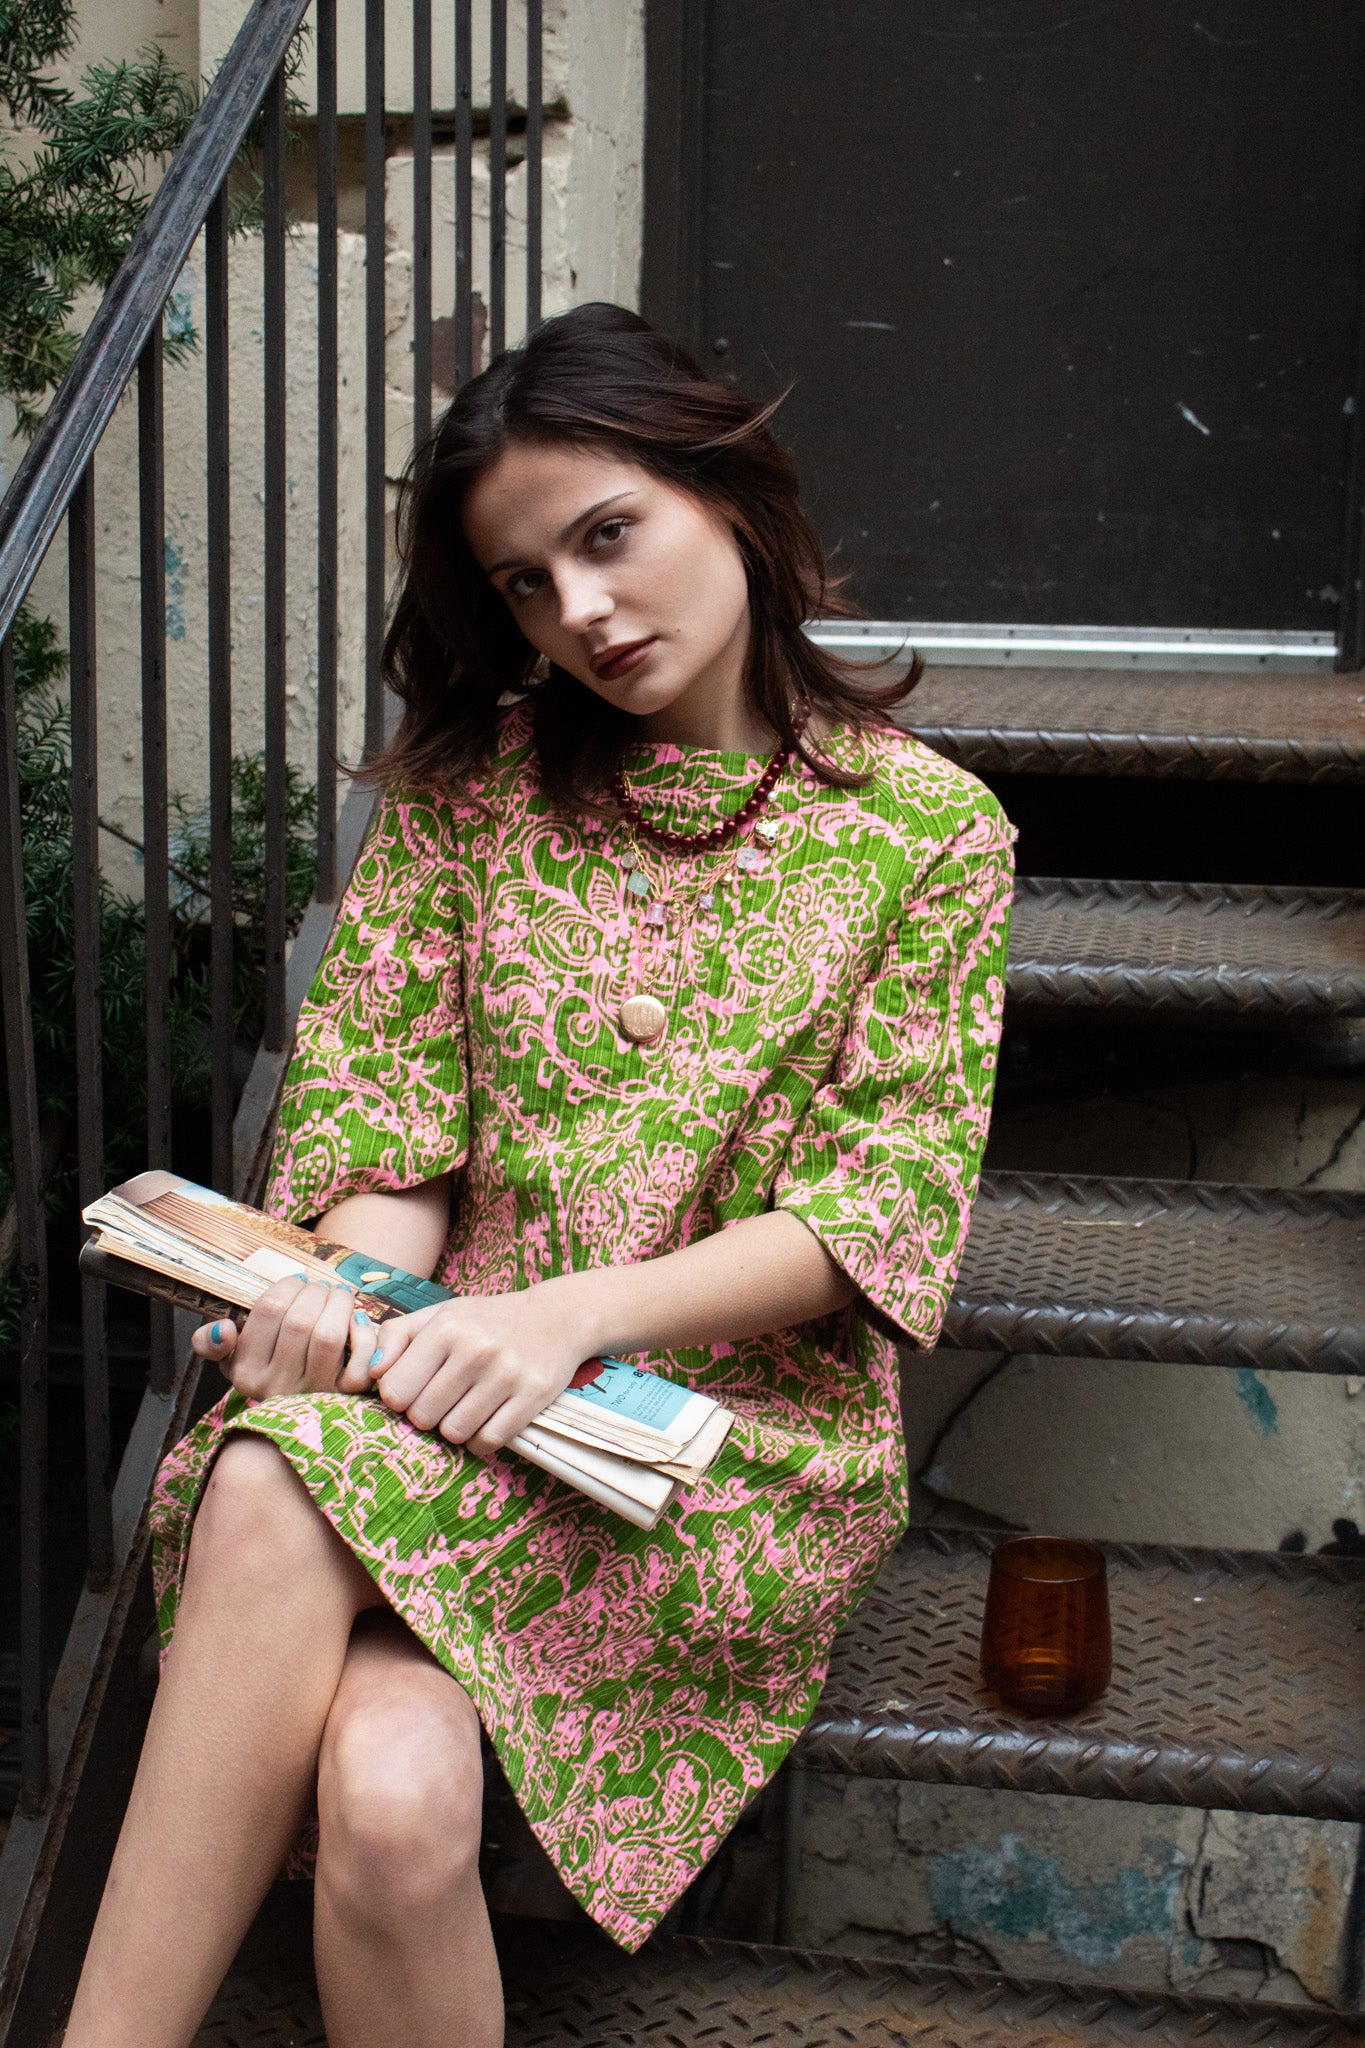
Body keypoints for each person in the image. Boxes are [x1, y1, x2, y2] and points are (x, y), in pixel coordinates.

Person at [63, 302, 1014, 2047]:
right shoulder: (468, 796)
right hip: (439, 1396)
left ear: (726, 490)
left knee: (270, 1492)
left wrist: (562, 1321)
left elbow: (873, 1212)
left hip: (718, 1448)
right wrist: (336, 1302)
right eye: (523, 582)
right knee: (394, 1799)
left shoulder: (927, 832)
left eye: (608, 534)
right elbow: (391, 1142)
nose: (579, 609)